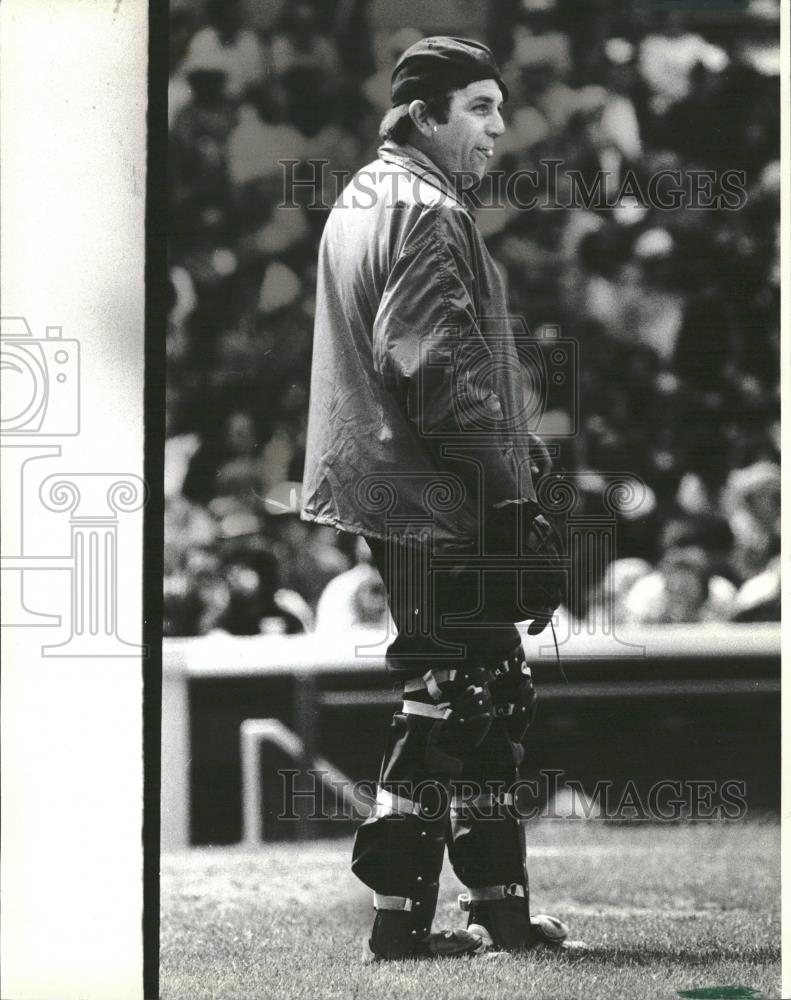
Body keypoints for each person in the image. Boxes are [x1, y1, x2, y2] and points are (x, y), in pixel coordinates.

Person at [301, 36, 568, 962]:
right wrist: (512, 498)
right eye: (480, 108)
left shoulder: (365, 196)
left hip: (397, 485)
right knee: (454, 695)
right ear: (423, 114)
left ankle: (490, 915)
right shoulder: (421, 208)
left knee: (476, 688)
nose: (499, 126)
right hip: (438, 494)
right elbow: (431, 367)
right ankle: (401, 925)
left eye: (499, 106)